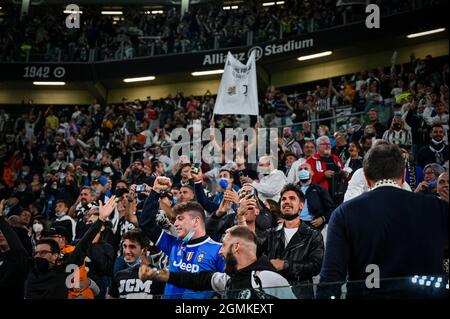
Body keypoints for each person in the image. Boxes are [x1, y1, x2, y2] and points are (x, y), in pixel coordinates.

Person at [320, 144, 449, 298]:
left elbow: (331, 279)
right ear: (403, 174)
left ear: (366, 178)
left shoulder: (344, 213)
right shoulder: (437, 207)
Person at [139, 226, 296, 299]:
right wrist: (156, 274)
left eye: (224, 246)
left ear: (236, 247)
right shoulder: (228, 281)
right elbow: (194, 279)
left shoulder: (268, 279)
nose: (220, 252)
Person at [138, 176, 224, 299]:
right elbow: (146, 224)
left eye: (180, 219)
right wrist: (155, 191)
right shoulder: (173, 244)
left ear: (196, 221)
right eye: (176, 219)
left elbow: (225, 287)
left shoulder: (218, 250)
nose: (175, 224)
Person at [25, 196, 117, 299]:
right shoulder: (32, 271)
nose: (38, 256)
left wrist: (100, 220)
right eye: (36, 253)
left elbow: (83, 246)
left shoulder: (66, 261)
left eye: (43, 252)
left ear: (55, 255)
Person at [258, 184, 324, 299]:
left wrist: (285, 265)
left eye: (292, 198)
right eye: (283, 199)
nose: (286, 201)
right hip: (271, 295)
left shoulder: (313, 235)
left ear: (301, 205)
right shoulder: (269, 234)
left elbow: (315, 266)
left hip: (300, 294)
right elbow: (253, 248)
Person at [108, 229, 164, 299]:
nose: (127, 251)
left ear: (145, 250)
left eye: (132, 247)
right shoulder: (119, 275)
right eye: (125, 246)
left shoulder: (159, 276)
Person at [0, 200, 30, 299]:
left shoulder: (19, 256)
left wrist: (0, 218)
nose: (1, 234)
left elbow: (18, 249)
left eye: (3, 231)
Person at [297, 163, 334, 231]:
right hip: (295, 224)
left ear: (312, 173)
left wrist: (323, 219)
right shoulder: (292, 190)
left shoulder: (320, 189)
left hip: (312, 225)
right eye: (300, 169)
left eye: (306, 169)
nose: (303, 171)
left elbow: (331, 209)